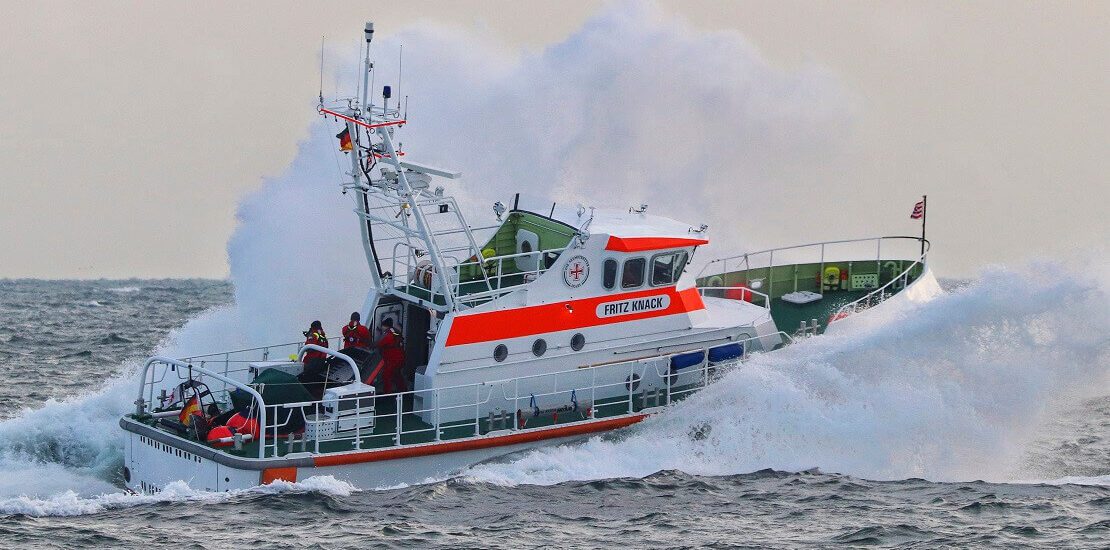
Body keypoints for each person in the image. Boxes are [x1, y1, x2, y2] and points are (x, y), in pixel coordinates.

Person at [376, 317, 407, 393]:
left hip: (392, 359)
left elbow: (379, 344)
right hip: (400, 358)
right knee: (397, 375)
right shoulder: (396, 332)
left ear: (385, 326)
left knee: (386, 376)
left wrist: (368, 344)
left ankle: (387, 394)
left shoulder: (388, 336)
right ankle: (403, 390)